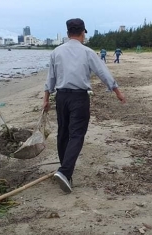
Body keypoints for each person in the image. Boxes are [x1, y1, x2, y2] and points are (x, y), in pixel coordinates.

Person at [42, 18, 126, 194]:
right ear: (82, 33)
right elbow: (102, 72)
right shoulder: (88, 52)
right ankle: (65, 172)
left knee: (63, 133)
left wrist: (46, 98)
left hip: (61, 97)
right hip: (79, 97)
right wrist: (117, 91)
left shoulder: (56, 52)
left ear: (67, 33)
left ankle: (66, 172)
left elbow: (50, 77)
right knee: (77, 134)